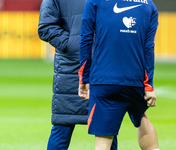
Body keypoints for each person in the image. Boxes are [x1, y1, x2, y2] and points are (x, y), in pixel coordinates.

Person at [38, 0, 158, 149]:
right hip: (72, 68)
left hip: (107, 68)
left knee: (109, 128)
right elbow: (45, 27)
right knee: (63, 124)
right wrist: (73, 44)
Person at [78, 0, 159, 150]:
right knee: (142, 118)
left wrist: (84, 78)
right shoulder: (149, 5)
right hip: (135, 80)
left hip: (104, 79)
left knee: (103, 139)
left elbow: (85, 40)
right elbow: (148, 48)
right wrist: (148, 86)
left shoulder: (94, 1)